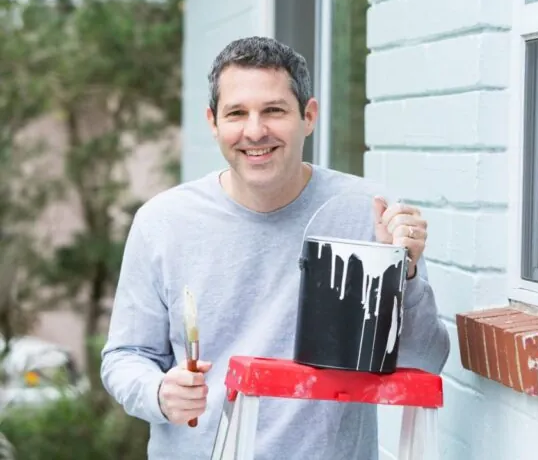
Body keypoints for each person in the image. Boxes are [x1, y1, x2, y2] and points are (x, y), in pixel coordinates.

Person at [100, 36, 450, 459]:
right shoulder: (163, 222)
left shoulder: (368, 213)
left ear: (309, 115)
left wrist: (405, 274)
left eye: (273, 111)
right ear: (213, 122)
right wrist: (157, 391)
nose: (254, 130)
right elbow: (125, 356)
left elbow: (425, 360)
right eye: (236, 113)